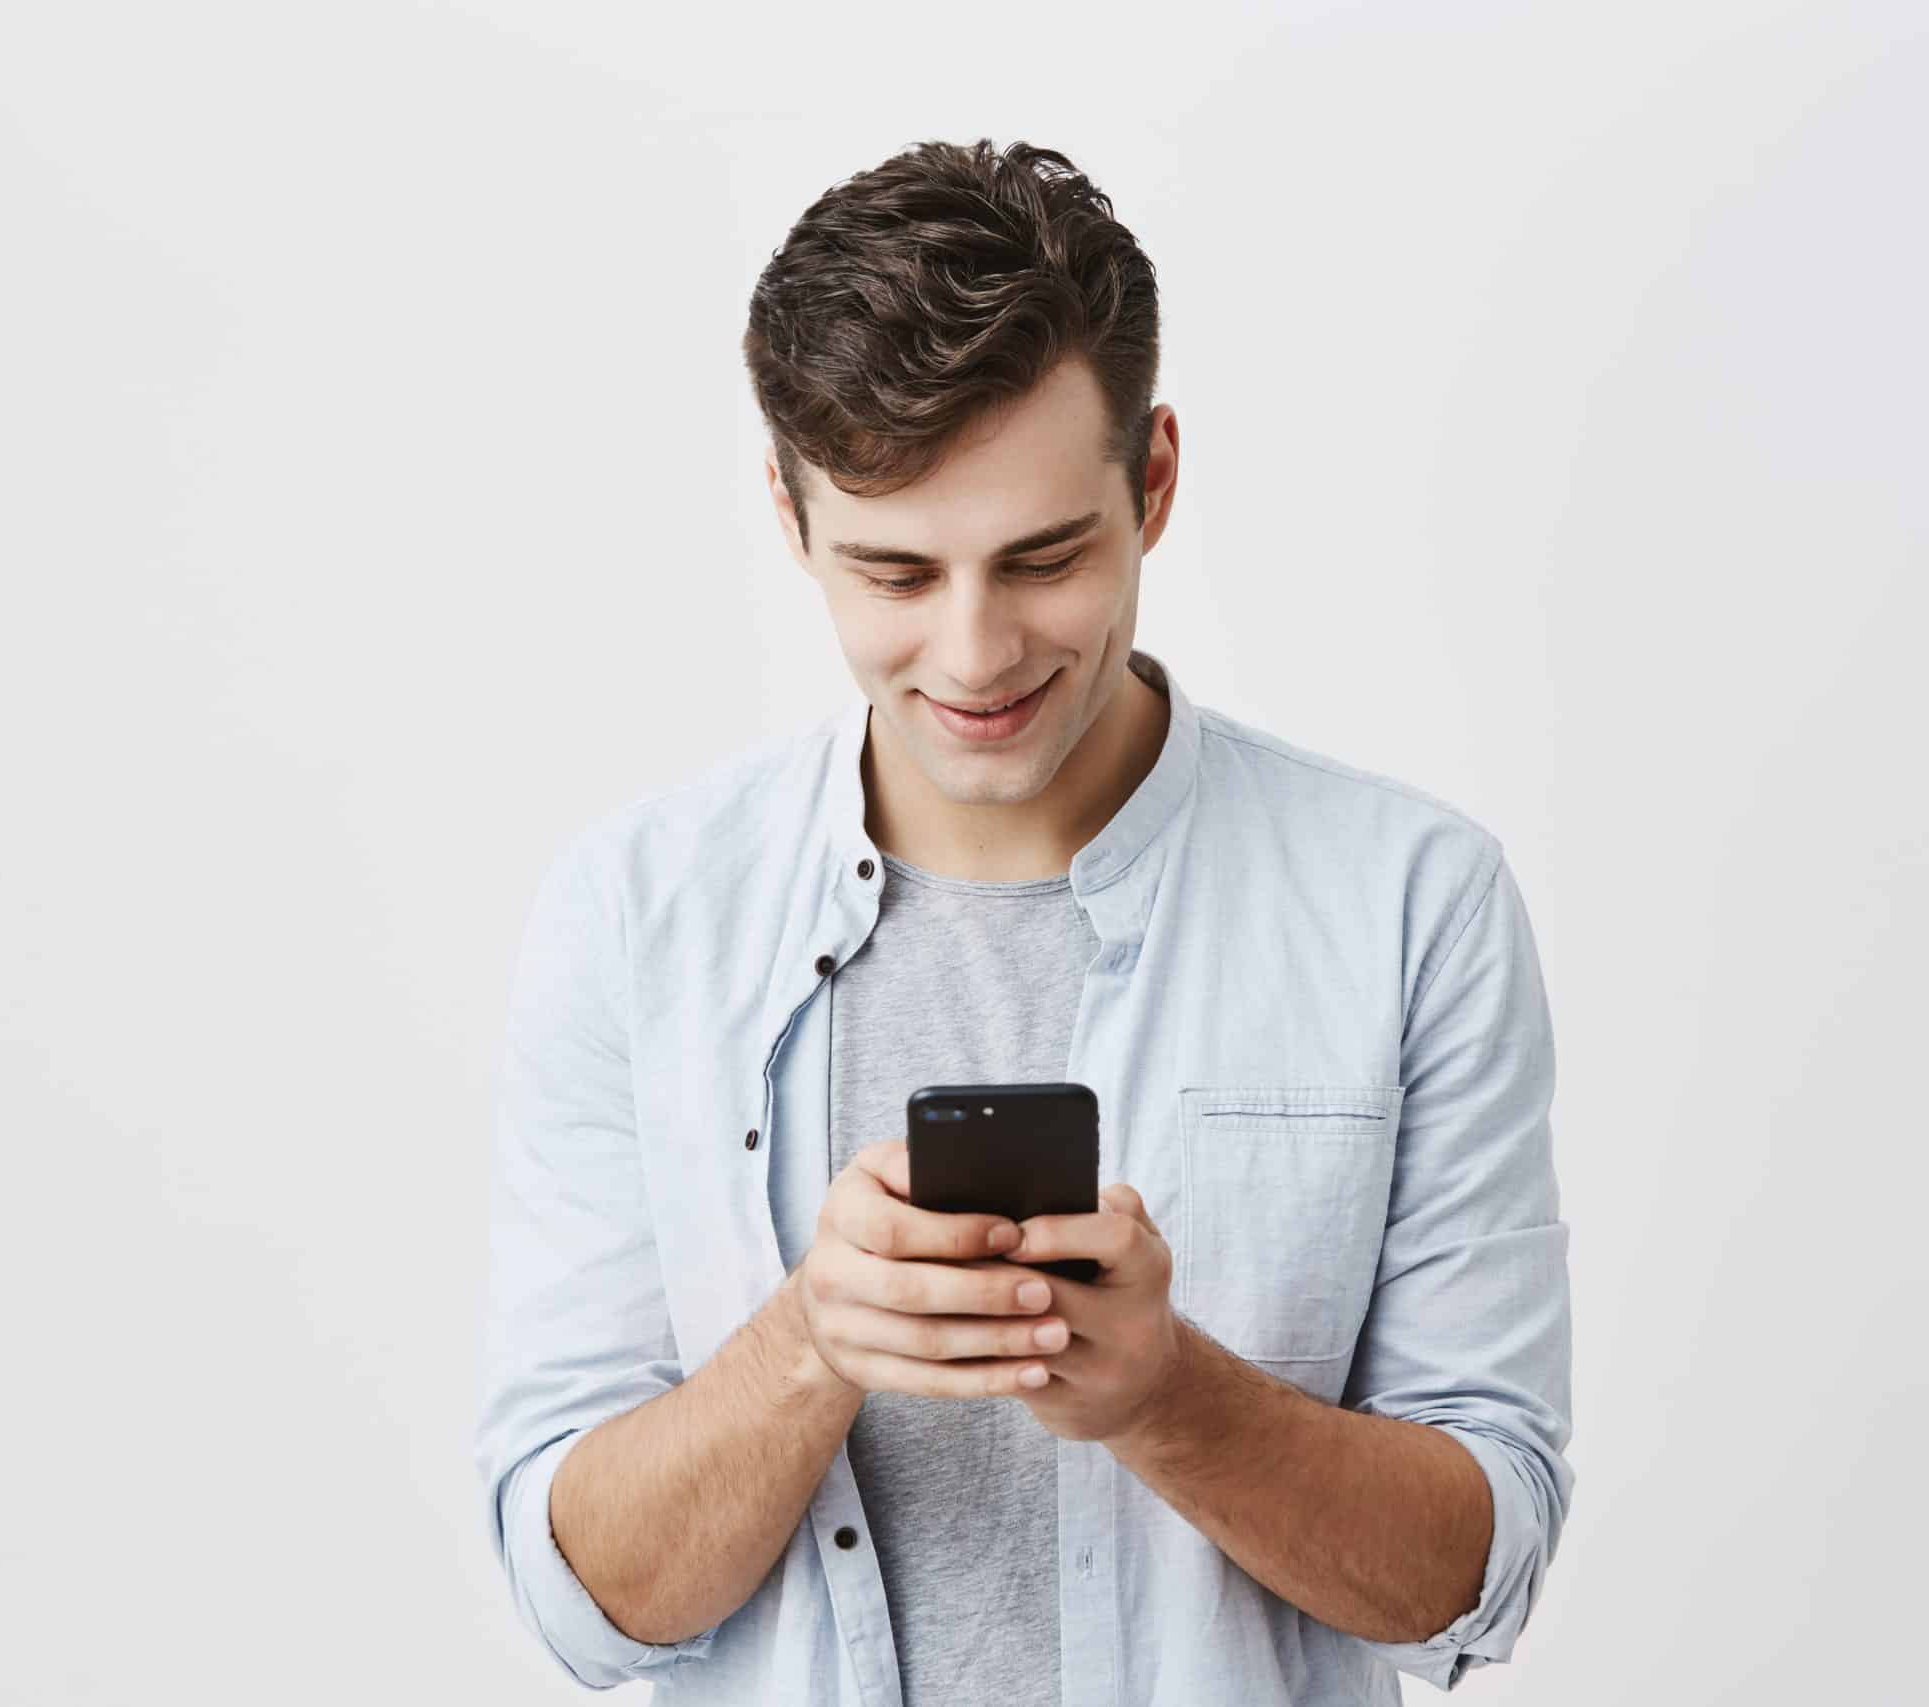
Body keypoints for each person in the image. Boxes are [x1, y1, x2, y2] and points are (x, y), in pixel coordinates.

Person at [473, 137, 1574, 1705]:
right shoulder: (637, 915)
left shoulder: (1409, 905)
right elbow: (585, 1603)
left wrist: (1166, 1395)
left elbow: (1473, 1580)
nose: (974, 654)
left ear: (1158, 481)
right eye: (894, 573)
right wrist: (813, 1342)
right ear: (791, 518)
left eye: (1044, 559)